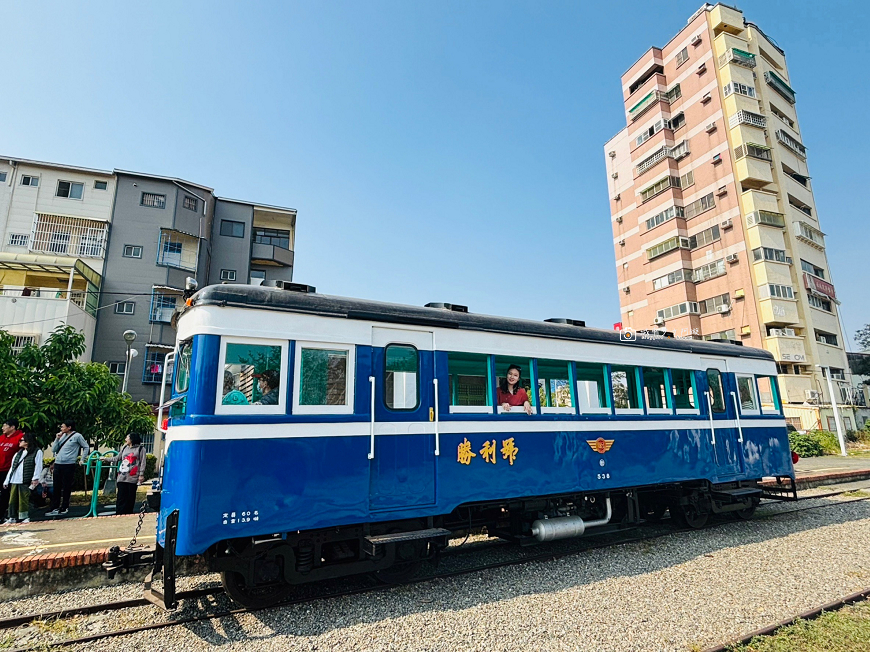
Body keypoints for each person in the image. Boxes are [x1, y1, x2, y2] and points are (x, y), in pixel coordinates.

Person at [46, 420, 90, 517]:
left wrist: (82, 459)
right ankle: (55, 506)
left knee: (66, 486)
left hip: (69, 464)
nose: (61, 428)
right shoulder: (62, 436)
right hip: (58, 463)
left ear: (69, 427)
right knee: (56, 486)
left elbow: (86, 447)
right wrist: (57, 439)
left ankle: (64, 506)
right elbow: (54, 449)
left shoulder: (77, 436)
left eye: (63, 426)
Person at [3, 433, 42, 525]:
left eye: (22, 440)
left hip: (25, 479)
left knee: (24, 499)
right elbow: (12, 468)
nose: (19, 442)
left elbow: (38, 466)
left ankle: (24, 517)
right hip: (15, 479)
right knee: (12, 500)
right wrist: (7, 480)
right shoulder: (18, 453)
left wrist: (35, 478)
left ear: (28, 442)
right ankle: (12, 516)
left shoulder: (37, 452)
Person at [104, 433, 146, 515]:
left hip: (133, 476)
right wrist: (106, 459)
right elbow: (118, 458)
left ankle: (128, 513)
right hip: (122, 475)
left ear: (132, 439)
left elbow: (143, 462)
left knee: (130, 496)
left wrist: (141, 474)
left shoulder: (141, 449)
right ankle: (119, 513)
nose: (125, 439)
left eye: (127, 437)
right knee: (121, 496)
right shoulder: (124, 447)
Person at [0, 419, 25, 519]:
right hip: (0, 469)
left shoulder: (20, 438)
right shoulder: (1, 438)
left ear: (12, 427)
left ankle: (4, 514)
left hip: (9, 471)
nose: (2, 428)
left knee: (6, 493)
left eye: (4, 426)